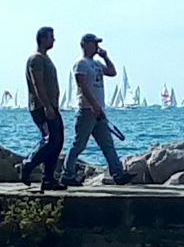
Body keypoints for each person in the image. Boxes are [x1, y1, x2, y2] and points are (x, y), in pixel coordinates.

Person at [60, 33, 134, 185]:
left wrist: (105, 57)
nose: (97, 46)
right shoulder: (81, 64)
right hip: (87, 110)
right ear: (85, 44)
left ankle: (118, 174)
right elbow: (82, 85)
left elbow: (112, 72)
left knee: (107, 144)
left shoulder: (97, 64)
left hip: (99, 111)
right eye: (94, 43)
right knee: (79, 144)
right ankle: (67, 175)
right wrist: (94, 105)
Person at [20, 25, 65, 192]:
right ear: (42, 39)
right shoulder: (36, 59)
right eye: (51, 37)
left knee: (57, 141)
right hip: (41, 107)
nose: (53, 40)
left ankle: (48, 179)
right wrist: (46, 105)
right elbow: (37, 83)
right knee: (51, 140)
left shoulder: (46, 58)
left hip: (51, 106)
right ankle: (28, 165)